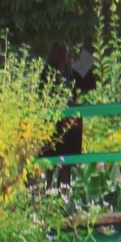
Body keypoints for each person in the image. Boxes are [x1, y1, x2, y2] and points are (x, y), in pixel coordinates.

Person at [40, 42, 91, 188]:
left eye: (64, 52)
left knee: (66, 164)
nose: (62, 55)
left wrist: (81, 54)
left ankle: (64, 197)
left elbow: (87, 82)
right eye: (59, 51)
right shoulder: (46, 71)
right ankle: (47, 193)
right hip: (51, 122)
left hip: (70, 122)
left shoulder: (71, 71)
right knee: (48, 162)